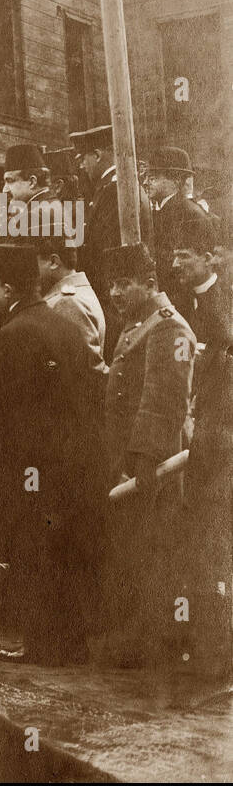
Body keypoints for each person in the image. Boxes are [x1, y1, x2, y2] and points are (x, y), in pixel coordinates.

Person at [0, 243, 107, 665]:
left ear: (8, 289)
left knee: (31, 551)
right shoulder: (61, 323)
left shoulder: (13, 334)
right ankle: (72, 642)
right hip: (71, 458)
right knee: (63, 551)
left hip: (28, 463)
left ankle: (39, 642)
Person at [98, 243, 196, 667]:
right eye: (113, 285)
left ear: (150, 284)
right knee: (134, 551)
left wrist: (141, 461)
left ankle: (154, 645)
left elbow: (164, 400)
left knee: (152, 553)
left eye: (125, 284)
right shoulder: (139, 322)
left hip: (151, 461)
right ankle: (138, 640)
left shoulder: (168, 329)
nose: (116, 293)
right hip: (131, 456)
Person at [170, 215, 233, 676]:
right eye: (173, 256)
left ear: (210, 257)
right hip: (200, 431)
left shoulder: (222, 305)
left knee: (214, 541)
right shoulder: (186, 303)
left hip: (219, 436)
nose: (177, 264)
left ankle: (217, 652)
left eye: (185, 256)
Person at [70, 124, 153, 302]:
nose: (82, 166)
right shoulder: (112, 188)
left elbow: (106, 251)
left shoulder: (115, 191)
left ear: (98, 155)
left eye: (83, 159)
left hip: (117, 294)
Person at [145, 146, 208, 323]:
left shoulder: (188, 214)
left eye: (154, 178)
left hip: (180, 306)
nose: (147, 183)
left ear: (176, 180)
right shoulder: (164, 211)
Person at [35, 237, 107, 367]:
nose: (33, 272)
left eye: (35, 264)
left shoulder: (66, 302)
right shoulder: (76, 294)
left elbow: (86, 369)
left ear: (53, 262)